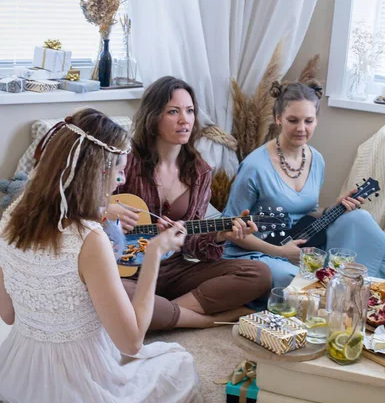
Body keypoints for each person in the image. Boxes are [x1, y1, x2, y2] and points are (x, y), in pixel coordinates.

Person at [0, 108, 202, 403]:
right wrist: (153, 254)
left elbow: (7, 315)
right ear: (99, 171)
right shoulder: (89, 240)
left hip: (19, 376)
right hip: (80, 391)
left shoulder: (11, 217)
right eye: (119, 172)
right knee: (179, 365)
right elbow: (133, 342)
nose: (119, 181)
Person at [107, 76, 271, 330]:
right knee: (109, 295)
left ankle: (157, 312)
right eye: (173, 112)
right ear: (153, 117)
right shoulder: (125, 161)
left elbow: (192, 245)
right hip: (126, 271)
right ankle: (199, 320)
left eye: (190, 111)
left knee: (258, 274)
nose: (185, 120)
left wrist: (220, 235)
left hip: (174, 269)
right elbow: (75, 207)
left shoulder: (200, 172)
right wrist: (106, 209)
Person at [222, 81, 385, 306]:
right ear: (278, 118)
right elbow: (228, 229)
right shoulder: (254, 167)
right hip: (260, 249)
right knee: (294, 282)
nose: (301, 128)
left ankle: (379, 287)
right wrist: (280, 251)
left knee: (359, 218)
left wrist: (335, 207)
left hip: (303, 243)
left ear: (316, 120)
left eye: (309, 121)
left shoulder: (317, 160)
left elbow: (307, 215)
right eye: (293, 120)